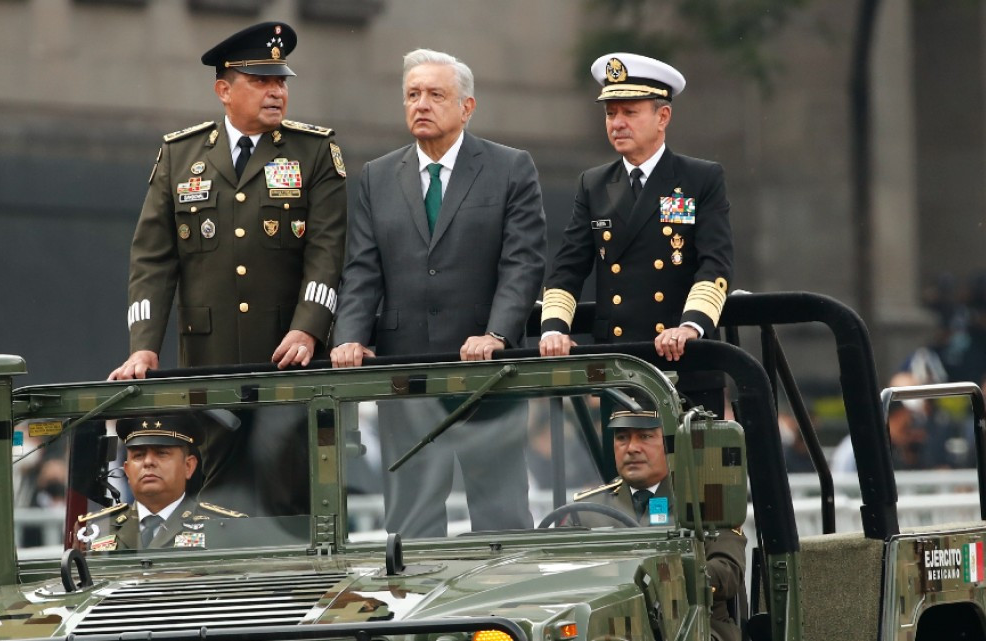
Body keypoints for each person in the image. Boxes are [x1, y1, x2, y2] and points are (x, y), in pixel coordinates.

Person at [330, 49, 547, 537]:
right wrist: (350, 337)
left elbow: (524, 263)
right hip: (405, 375)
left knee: (501, 517)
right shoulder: (378, 175)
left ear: (467, 107)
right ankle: (416, 611)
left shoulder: (510, 167)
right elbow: (363, 269)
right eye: (412, 95)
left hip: (487, 375)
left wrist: (496, 333)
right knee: (411, 521)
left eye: (435, 94)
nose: (421, 104)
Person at [109, 20, 347, 380]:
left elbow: (327, 253)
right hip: (207, 361)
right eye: (260, 81)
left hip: (291, 360)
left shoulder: (314, 152)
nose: (276, 92)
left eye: (280, 82)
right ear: (224, 90)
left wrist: (309, 328)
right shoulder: (180, 155)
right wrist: (143, 348)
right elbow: (152, 261)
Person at [539, 53, 733, 415]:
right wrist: (553, 330)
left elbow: (715, 265)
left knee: (695, 469)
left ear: (663, 117)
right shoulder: (593, 184)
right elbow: (566, 269)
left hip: (683, 361)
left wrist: (691, 327)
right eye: (611, 113)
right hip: (620, 368)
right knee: (626, 469)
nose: (617, 123)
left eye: (630, 112)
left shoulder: (700, 179)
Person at [572, 410, 745, 641]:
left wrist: (668, 573)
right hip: (606, 628)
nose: (632, 448)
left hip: (692, 625)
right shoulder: (588, 510)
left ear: (671, 445)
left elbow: (728, 572)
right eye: (622, 437)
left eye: (645, 437)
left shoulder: (702, 499)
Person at [75, 415, 245, 552]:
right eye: (138, 455)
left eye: (161, 453)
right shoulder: (95, 529)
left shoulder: (224, 527)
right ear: (126, 470)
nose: (148, 462)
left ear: (188, 466)